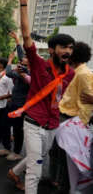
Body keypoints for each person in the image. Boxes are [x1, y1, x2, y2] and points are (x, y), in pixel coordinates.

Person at [8, 0, 75, 193]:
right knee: (35, 170)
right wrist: (23, 4)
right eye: (63, 47)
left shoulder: (70, 74)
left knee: (40, 157)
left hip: (53, 123)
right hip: (33, 123)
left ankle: (13, 172)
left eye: (70, 48)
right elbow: (27, 34)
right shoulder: (38, 64)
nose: (68, 51)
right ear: (52, 49)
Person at [43, 41, 93, 193]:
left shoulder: (83, 73)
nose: (66, 53)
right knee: (55, 152)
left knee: (66, 159)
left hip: (72, 121)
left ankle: (63, 188)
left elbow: (87, 101)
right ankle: (54, 179)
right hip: (64, 118)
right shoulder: (75, 71)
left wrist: (81, 124)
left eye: (69, 50)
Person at [0, 33, 30, 161]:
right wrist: (17, 40)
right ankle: (6, 147)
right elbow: (21, 54)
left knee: (17, 130)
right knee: (4, 125)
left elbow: (8, 73)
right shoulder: (24, 68)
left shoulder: (26, 73)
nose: (22, 58)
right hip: (12, 104)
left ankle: (16, 152)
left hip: (20, 106)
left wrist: (10, 61)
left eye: (25, 58)